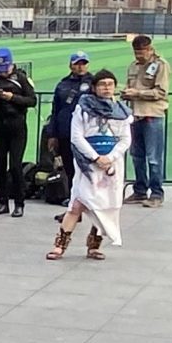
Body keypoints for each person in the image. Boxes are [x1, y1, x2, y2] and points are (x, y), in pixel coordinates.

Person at [48, 68, 131, 261]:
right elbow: (77, 137)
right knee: (77, 204)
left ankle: (94, 245)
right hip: (88, 163)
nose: (107, 88)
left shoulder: (121, 111)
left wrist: (110, 157)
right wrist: (95, 157)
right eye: (102, 84)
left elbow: (125, 139)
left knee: (105, 205)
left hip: (111, 164)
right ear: (94, 87)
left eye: (110, 84)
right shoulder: (82, 108)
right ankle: (60, 245)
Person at [0, 46, 38, 215]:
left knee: (16, 165)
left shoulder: (21, 79)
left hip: (16, 126)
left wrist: (12, 98)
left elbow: (32, 100)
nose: (3, 73)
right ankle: (3, 202)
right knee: (1, 164)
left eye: (5, 69)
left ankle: (19, 203)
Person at [122, 34, 171, 204]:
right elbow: (130, 86)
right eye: (136, 53)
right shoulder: (133, 66)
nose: (138, 56)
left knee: (154, 157)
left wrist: (137, 93)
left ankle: (157, 193)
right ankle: (140, 190)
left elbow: (161, 92)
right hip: (135, 115)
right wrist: (126, 92)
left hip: (152, 115)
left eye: (141, 53)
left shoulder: (160, 65)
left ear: (150, 49)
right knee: (137, 155)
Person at [44, 51, 94, 175]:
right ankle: (72, 194)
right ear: (71, 66)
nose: (81, 66)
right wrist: (52, 134)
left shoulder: (94, 83)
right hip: (65, 132)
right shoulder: (63, 84)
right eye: (77, 64)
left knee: (88, 168)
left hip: (87, 133)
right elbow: (55, 110)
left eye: (83, 63)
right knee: (69, 168)